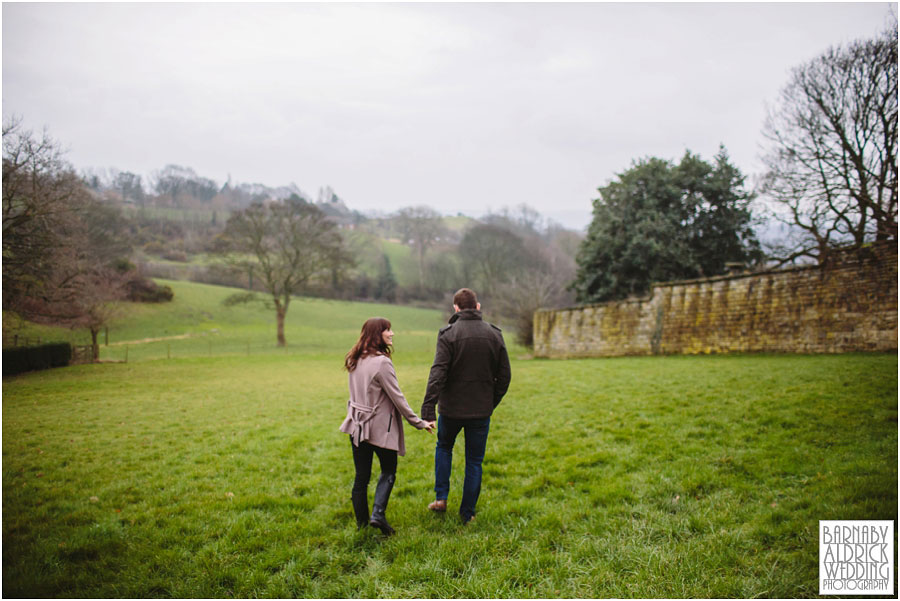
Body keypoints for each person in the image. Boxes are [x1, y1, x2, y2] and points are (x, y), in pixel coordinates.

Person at [420, 288, 511, 524]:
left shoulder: (448, 334)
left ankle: (441, 498)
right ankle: (467, 513)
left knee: (444, 448)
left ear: (456, 309)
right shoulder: (495, 334)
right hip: (481, 411)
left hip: (450, 410)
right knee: (474, 461)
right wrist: (490, 402)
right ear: (477, 306)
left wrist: (428, 410)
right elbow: (505, 376)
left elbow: (437, 373)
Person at [339, 317, 435, 535]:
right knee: (388, 470)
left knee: (361, 478)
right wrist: (419, 423)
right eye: (387, 330)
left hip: (357, 426)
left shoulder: (355, 358)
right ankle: (378, 515)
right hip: (380, 428)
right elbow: (398, 398)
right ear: (377, 334)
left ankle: (362, 526)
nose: (392, 334)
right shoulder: (381, 362)